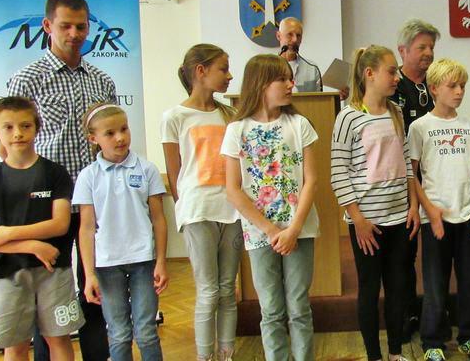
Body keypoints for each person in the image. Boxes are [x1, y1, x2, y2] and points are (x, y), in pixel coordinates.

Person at [5, 0, 113, 360]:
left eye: (81, 26)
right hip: (47, 204)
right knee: (47, 290)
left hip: (94, 201)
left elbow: (109, 140)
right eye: (65, 26)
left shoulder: (101, 81)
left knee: (96, 285)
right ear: (48, 25)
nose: (74, 34)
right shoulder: (26, 80)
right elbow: (11, 145)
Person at [222, 54, 319, 361]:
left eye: (291, 78)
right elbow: (233, 189)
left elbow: (311, 181)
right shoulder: (236, 130)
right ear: (261, 84)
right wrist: (272, 230)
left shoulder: (299, 124)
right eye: (283, 79)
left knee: (299, 307)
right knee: (272, 310)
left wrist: (293, 229)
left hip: (299, 230)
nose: (291, 84)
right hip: (259, 233)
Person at [332, 45, 420, 361]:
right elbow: (338, 172)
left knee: (397, 288)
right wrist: (358, 219)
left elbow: (407, 163)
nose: (397, 78)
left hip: (399, 218)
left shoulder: (395, 112)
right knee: (370, 290)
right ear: (369, 74)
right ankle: (374, 356)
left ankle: (395, 352)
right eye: (391, 71)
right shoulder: (348, 117)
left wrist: (413, 205)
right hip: (367, 223)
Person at [0, 96, 84, 360]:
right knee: (16, 346)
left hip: (53, 270)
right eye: (8, 127)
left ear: (37, 128)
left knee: (58, 339)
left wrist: (8, 233)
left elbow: (60, 224)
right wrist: (32, 245)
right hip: (7, 273)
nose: (17, 133)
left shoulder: (55, 173)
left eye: (25, 126)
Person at [161, 44, 241, 361]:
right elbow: (175, 172)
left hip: (231, 210)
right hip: (198, 211)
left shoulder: (229, 115)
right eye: (223, 69)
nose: (229, 76)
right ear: (200, 71)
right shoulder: (174, 117)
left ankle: (226, 354)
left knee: (227, 289)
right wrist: (184, 208)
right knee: (208, 291)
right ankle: (205, 356)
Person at [408, 59, 470, 361]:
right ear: (433, 88)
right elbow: (412, 175)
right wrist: (428, 209)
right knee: (435, 284)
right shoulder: (420, 127)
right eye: (452, 86)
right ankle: (432, 340)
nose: (459, 91)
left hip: (469, 216)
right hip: (436, 219)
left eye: (462, 86)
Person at [74, 103, 168, 361]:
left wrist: (161, 261)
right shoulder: (88, 176)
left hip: (143, 261)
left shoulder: (146, 169)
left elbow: (158, 219)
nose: (120, 137)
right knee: (118, 333)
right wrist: (89, 274)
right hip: (107, 265)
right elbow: (86, 228)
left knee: (146, 332)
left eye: (124, 129)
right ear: (93, 138)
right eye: (110, 133)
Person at [389, 19, 440, 341]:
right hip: (403, 181)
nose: (429, 53)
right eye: (422, 47)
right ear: (403, 50)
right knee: (404, 253)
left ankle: (435, 313)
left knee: (437, 252)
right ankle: (406, 313)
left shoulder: (437, 83)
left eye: (431, 47)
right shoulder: (392, 85)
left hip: (436, 179)